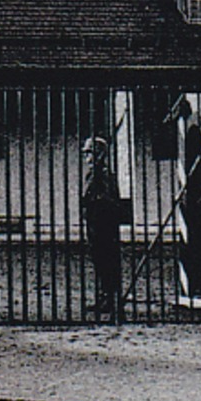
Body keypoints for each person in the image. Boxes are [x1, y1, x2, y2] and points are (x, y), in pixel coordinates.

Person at [80, 136, 123, 321]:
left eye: (89, 153)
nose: (86, 157)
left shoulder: (103, 174)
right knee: (100, 261)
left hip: (103, 224)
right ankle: (105, 297)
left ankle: (110, 299)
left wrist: (93, 204)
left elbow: (108, 199)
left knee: (106, 262)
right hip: (95, 222)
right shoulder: (93, 173)